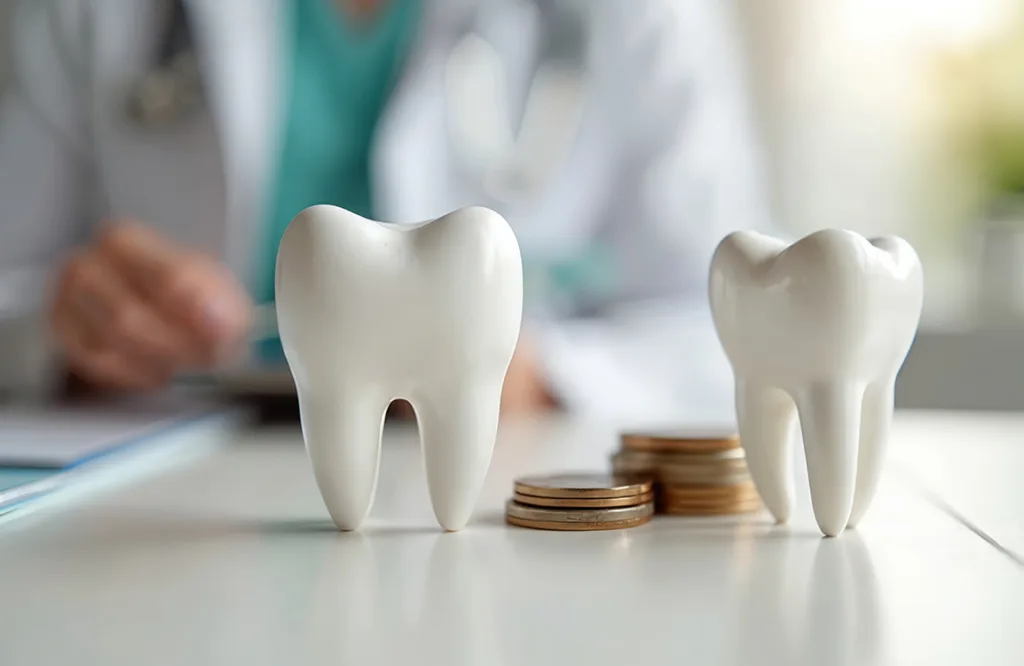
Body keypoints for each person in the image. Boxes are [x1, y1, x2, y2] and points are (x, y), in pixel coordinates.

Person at [0, 0, 773, 423]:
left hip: (489, 498)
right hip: (156, 490)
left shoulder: (642, 20)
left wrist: (536, 376)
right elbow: (13, 293)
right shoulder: (82, 14)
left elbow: (734, 332)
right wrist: (70, 323)